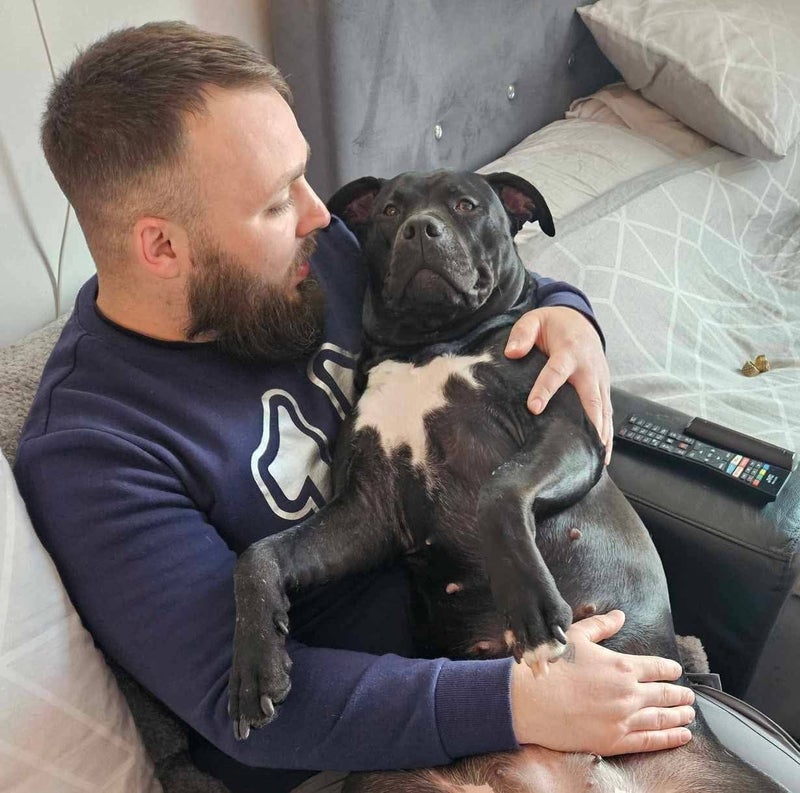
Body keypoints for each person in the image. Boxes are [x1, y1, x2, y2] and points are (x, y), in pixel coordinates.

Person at [14, 21, 695, 793]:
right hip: (382, 746)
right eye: (278, 201)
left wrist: (570, 314)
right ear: (162, 248)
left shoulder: (317, 256)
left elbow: (487, 288)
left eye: (304, 176)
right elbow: (249, 706)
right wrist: (517, 702)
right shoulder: (91, 452)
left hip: (544, 634)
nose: (321, 215)